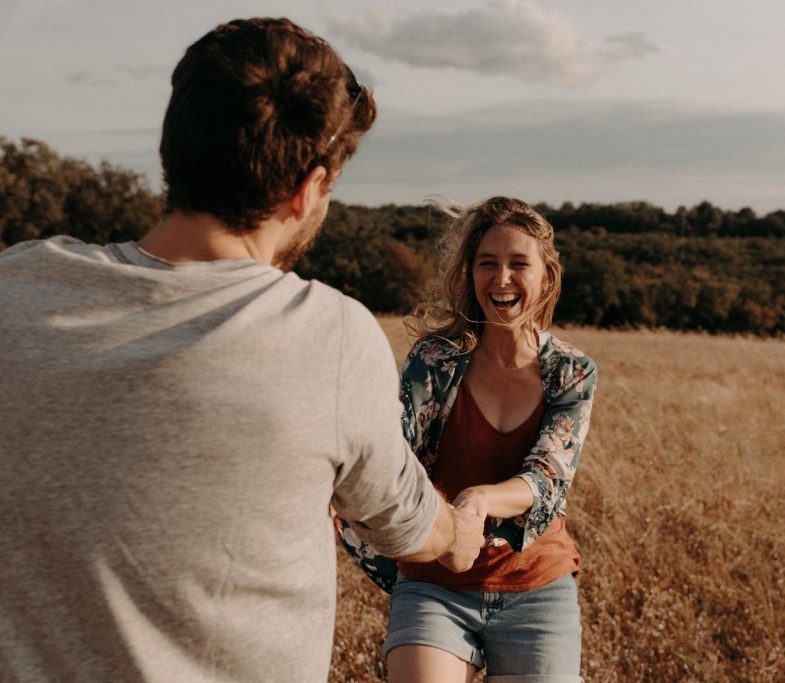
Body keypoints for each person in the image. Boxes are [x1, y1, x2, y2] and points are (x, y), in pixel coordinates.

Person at [0, 18, 484, 683]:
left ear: (172, 148)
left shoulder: (16, 288)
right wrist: (460, 535)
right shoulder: (329, 336)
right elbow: (406, 522)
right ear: (308, 189)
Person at [340, 197, 598, 682]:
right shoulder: (432, 361)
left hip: (535, 584)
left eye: (519, 264)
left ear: (546, 276)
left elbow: (549, 475)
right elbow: (397, 458)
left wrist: (480, 500)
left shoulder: (571, 371)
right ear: (470, 274)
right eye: (488, 264)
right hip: (435, 582)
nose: (501, 279)